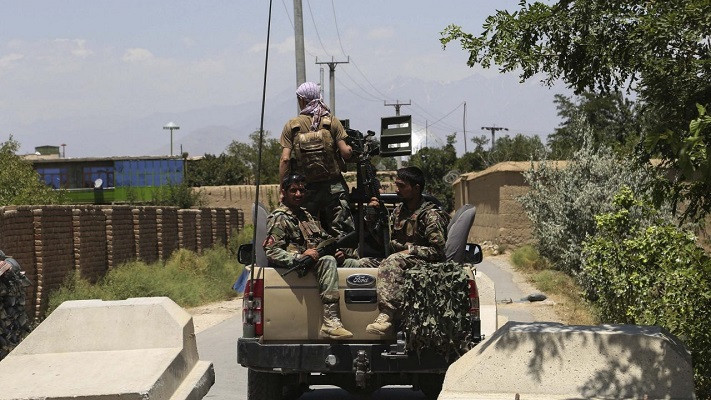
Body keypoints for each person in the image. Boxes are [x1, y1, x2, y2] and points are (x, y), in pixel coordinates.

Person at [263, 173, 357, 339]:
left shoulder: (305, 215)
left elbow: (323, 238)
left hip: (316, 264)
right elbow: (272, 251)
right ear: (283, 192)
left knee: (357, 264)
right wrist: (299, 256)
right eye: (293, 190)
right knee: (327, 261)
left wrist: (338, 251)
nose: (298, 194)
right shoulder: (279, 218)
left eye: (301, 190)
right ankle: (330, 321)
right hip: (299, 268)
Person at [364, 166, 450, 335]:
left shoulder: (430, 214)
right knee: (362, 263)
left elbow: (438, 251)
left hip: (422, 263)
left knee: (393, 260)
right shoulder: (398, 211)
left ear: (416, 188)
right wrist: (372, 216)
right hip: (401, 260)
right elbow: (386, 243)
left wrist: (410, 251)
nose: (397, 190)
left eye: (402, 186)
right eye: (396, 185)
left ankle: (387, 315)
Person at [279, 81, 355, 236]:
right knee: (342, 232)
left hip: (307, 190)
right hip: (334, 188)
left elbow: (285, 159)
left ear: (302, 100)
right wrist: (350, 150)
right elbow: (345, 153)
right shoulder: (332, 121)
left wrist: (283, 188)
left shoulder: (292, 126)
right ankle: (346, 258)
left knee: (308, 230)